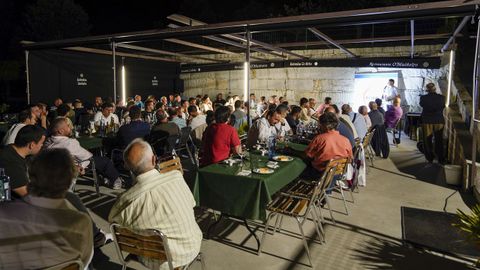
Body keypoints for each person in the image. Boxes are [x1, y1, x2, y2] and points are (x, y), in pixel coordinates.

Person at [109, 139, 202, 269]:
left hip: (158, 258)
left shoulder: (126, 201)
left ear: (127, 167)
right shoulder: (177, 177)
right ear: (154, 160)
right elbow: (191, 203)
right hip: (192, 246)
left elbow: (114, 223)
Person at [0, 148, 93, 269]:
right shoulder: (80, 222)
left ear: (31, 176)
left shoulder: (4, 215)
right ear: (69, 180)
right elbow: (84, 261)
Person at [44, 118, 124, 189]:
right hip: (75, 166)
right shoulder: (69, 143)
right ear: (61, 131)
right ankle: (116, 180)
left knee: (97, 161)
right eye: (68, 126)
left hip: (57, 169)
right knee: (104, 161)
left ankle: (104, 177)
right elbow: (87, 156)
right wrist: (87, 153)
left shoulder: (48, 142)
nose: (70, 128)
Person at [0, 125, 46, 197]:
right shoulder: (10, 163)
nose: (42, 146)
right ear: (32, 145)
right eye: (41, 143)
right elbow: (29, 195)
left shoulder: (12, 149)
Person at [420, 83, 446, 164]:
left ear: (427, 90)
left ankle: (430, 158)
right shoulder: (442, 98)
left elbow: (422, 105)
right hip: (439, 121)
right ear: (435, 89)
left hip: (427, 121)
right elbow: (442, 106)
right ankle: (440, 158)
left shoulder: (423, 98)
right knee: (439, 140)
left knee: (427, 140)